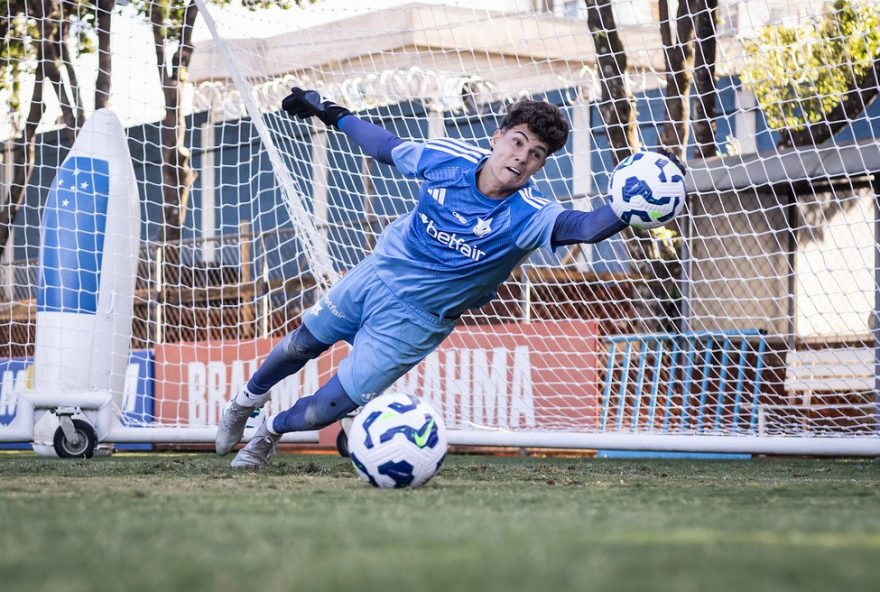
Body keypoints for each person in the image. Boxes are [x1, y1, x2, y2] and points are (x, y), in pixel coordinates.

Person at [216, 87, 681, 467]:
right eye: (517, 142)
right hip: (375, 275)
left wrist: (630, 205)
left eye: (536, 154)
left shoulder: (531, 214)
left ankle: (269, 431)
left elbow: (586, 227)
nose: (521, 157)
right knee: (299, 345)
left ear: (541, 165)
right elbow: (385, 147)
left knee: (324, 410)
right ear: (498, 137)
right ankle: (242, 403)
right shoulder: (449, 159)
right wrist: (332, 112)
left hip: (418, 321)